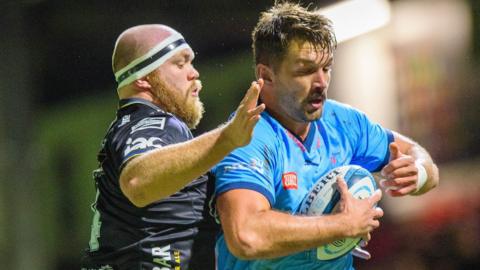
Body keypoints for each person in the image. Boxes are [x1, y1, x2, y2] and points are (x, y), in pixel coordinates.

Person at [212, 2, 440, 270]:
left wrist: (418, 172)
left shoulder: (343, 122)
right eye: (306, 70)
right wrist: (343, 225)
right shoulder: (246, 137)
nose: (321, 82)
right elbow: (245, 236)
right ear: (266, 76)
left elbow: (422, 160)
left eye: (326, 68)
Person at [80, 24, 265, 270]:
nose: (195, 74)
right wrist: (228, 138)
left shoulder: (132, 125)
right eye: (180, 64)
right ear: (144, 78)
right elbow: (138, 182)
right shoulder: (153, 122)